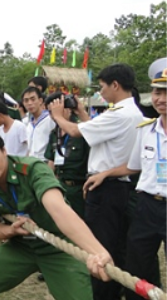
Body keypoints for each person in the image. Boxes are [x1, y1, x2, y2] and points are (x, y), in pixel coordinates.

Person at [0, 126, 113, 300]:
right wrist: (12, 231)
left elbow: (59, 210)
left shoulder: (33, 170)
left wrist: (98, 252)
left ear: (4, 150)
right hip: (22, 247)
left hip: (58, 246)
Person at [49, 63, 143, 300]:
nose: (101, 92)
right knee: (117, 244)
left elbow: (75, 132)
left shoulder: (119, 114)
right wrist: (82, 114)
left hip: (106, 189)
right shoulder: (134, 113)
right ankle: (118, 289)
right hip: (120, 186)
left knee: (99, 247)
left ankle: (103, 294)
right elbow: (98, 133)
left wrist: (58, 116)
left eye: (102, 87)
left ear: (115, 85)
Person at [83, 58, 166, 300]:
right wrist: (105, 174)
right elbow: (132, 166)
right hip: (147, 206)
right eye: (157, 91)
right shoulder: (146, 130)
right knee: (138, 265)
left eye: (166, 92)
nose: (161, 98)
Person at [44, 92, 90, 219]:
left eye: (55, 110)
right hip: (61, 186)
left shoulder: (82, 129)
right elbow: (51, 162)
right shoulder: (54, 133)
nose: (53, 116)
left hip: (80, 189)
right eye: (50, 112)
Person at [23, 86, 55, 160]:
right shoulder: (29, 124)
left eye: (33, 99)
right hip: (31, 164)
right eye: (26, 100)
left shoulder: (50, 119)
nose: (30, 103)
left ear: (40, 100)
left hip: (45, 163)